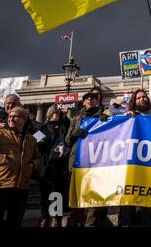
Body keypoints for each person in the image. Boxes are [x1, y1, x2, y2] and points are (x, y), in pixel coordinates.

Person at [0, 107, 42, 227]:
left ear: (24, 119)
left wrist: (31, 165)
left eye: (15, 116)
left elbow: (38, 158)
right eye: (9, 116)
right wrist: (1, 159)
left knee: (15, 222)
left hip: (21, 187)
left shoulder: (31, 139)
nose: (10, 119)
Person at [119, 89, 151, 227]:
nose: (142, 99)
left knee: (149, 203)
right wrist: (126, 117)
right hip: (131, 167)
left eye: (144, 97)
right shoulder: (128, 117)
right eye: (138, 98)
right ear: (133, 101)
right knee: (128, 201)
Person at [66, 92, 107, 227]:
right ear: (83, 102)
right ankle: (77, 223)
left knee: (94, 199)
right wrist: (75, 131)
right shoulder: (76, 118)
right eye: (87, 98)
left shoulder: (104, 116)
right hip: (78, 161)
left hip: (97, 162)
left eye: (93, 98)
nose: (90, 99)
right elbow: (67, 141)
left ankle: (90, 224)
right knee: (77, 198)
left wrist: (105, 121)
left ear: (97, 101)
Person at [37, 105, 70, 227]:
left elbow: (68, 131)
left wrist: (65, 117)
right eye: (55, 113)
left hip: (60, 165)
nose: (57, 115)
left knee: (59, 193)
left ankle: (56, 219)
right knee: (45, 193)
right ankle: (44, 217)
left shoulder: (63, 126)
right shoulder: (43, 128)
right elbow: (35, 143)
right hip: (46, 165)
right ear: (50, 114)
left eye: (58, 113)